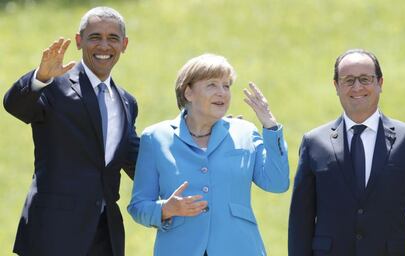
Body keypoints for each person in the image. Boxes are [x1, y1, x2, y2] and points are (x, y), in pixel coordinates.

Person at [3, 6, 139, 256]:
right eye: (95, 37)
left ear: (124, 44)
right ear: (79, 41)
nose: (104, 46)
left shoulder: (127, 102)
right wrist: (40, 78)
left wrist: (210, 132)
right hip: (53, 234)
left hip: (104, 235)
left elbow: (136, 162)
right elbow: (15, 106)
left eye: (113, 38)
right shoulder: (55, 85)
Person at [127, 53, 290, 256]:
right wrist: (166, 209)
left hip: (239, 248)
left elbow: (277, 183)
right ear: (188, 93)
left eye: (226, 86)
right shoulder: (155, 137)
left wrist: (270, 126)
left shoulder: (244, 132)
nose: (222, 92)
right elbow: (138, 205)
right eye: (212, 85)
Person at [288, 49, 405, 256]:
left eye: (365, 79)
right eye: (348, 80)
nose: (357, 87)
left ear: (380, 83)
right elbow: (301, 220)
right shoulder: (314, 142)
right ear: (336, 86)